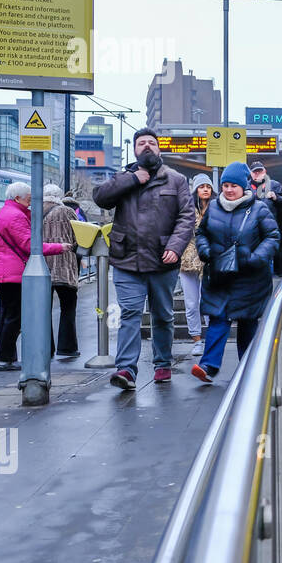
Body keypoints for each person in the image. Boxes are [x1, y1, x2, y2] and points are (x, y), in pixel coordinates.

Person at [93, 128, 195, 390]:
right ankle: (126, 370)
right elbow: (101, 198)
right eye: (142, 143)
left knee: (162, 315)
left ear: (159, 149)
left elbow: (186, 217)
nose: (147, 146)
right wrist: (131, 180)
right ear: (135, 150)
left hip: (163, 260)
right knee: (130, 314)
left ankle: (162, 363)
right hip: (127, 260)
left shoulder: (176, 180)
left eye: (152, 143)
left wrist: (175, 246)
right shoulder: (123, 177)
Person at [191, 162, 279, 383]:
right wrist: (205, 250)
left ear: (244, 186)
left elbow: (272, 237)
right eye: (225, 185)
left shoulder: (259, 209)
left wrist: (255, 258)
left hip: (250, 279)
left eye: (233, 186)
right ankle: (208, 366)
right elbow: (201, 233)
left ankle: (248, 368)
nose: (229, 190)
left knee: (248, 323)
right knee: (217, 319)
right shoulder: (213, 207)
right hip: (220, 276)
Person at [0, 183, 70, 371]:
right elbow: (29, 245)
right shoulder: (15, 216)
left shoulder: (4, 213)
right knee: (15, 317)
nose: (31, 201)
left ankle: (3, 357)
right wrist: (59, 247)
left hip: (3, 271)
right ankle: (5, 359)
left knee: (7, 316)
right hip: (12, 272)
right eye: (28, 197)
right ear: (17, 198)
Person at [41, 184, 81, 360]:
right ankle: (67, 347)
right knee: (68, 307)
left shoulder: (35, 213)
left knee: (43, 310)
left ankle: (45, 346)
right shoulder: (67, 212)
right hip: (65, 265)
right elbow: (79, 237)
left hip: (42, 266)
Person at [178, 174, 214, 357]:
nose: (205, 189)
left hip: (210, 261)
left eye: (208, 186)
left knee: (208, 301)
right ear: (196, 190)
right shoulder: (187, 210)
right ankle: (197, 340)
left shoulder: (217, 209)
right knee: (191, 303)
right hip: (188, 261)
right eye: (202, 186)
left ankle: (212, 339)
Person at [249, 160, 282, 275]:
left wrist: (276, 197)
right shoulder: (246, 187)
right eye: (254, 172)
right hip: (253, 228)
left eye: (260, 171)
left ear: (265, 171)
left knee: (276, 250)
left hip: (273, 226)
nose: (257, 174)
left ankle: (281, 273)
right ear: (251, 173)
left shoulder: (274, 185)